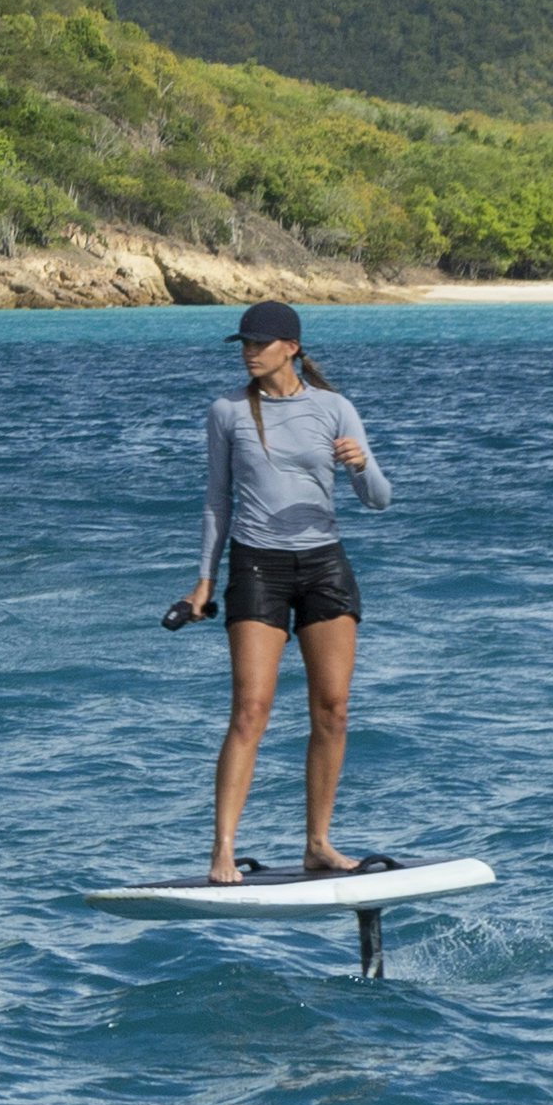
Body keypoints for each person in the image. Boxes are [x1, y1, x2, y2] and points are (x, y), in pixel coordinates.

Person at [169, 299, 389, 881]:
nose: (248, 351)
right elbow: (218, 501)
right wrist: (204, 580)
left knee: (333, 711)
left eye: (259, 343)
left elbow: (379, 499)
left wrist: (360, 465)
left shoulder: (335, 408)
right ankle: (222, 849)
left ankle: (317, 842)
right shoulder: (228, 412)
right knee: (250, 711)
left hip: (324, 567)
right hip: (257, 568)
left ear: (291, 347)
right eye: (243, 342)